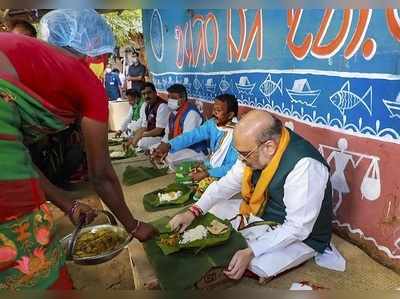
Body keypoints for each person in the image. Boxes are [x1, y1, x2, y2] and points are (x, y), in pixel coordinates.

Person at [0, 9, 156, 290]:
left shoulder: (32, 59)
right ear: (93, 53)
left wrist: (67, 203)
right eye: (105, 56)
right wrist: (133, 226)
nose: (104, 63)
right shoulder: (85, 82)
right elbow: (101, 175)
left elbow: (20, 161)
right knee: (27, 260)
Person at [169, 110, 335, 285]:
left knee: (253, 263)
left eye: (244, 154)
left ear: (269, 147)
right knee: (212, 209)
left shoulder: (305, 166)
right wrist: (192, 212)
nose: (241, 159)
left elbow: (297, 228)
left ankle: (274, 262)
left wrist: (251, 250)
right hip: (263, 214)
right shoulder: (255, 151)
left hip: (302, 236)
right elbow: (225, 185)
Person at [153, 93, 238, 182]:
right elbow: (192, 135)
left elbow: (233, 166)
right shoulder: (212, 124)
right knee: (182, 174)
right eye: (213, 109)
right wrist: (169, 145)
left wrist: (207, 173)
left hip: (226, 175)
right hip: (210, 165)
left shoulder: (238, 134)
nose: (213, 113)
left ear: (230, 115)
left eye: (218, 110)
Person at [150, 83, 207, 168]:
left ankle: (169, 173)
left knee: (169, 158)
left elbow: (187, 139)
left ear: (183, 98)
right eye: (169, 97)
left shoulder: (191, 113)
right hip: (174, 145)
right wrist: (161, 147)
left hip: (195, 150)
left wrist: (168, 147)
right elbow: (167, 134)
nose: (170, 100)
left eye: (173, 98)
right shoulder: (173, 113)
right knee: (153, 148)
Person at [124, 82, 170, 151]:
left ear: (155, 92)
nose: (146, 96)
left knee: (141, 143)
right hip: (151, 136)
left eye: (149, 93)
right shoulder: (147, 106)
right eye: (144, 94)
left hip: (162, 137)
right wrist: (134, 137)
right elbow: (144, 127)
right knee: (133, 137)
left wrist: (141, 135)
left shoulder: (162, 106)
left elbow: (158, 131)